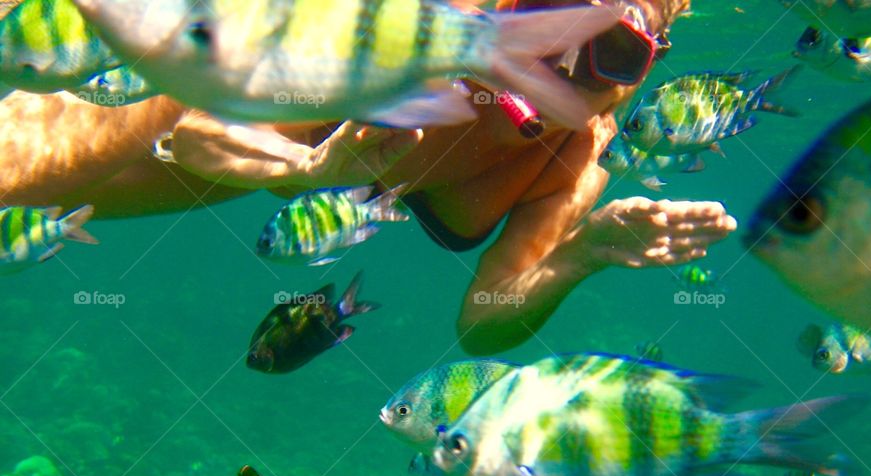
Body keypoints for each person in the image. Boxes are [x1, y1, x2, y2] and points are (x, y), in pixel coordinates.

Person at [1, 0, 734, 355]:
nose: (560, 63)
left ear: (646, 68)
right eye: (558, 14)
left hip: (218, 172)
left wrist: (584, 254)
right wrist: (309, 166)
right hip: (162, 96)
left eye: (613, 50)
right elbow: (194, 133)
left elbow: (483, 322)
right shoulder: (432, 25)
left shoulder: (571, 155)